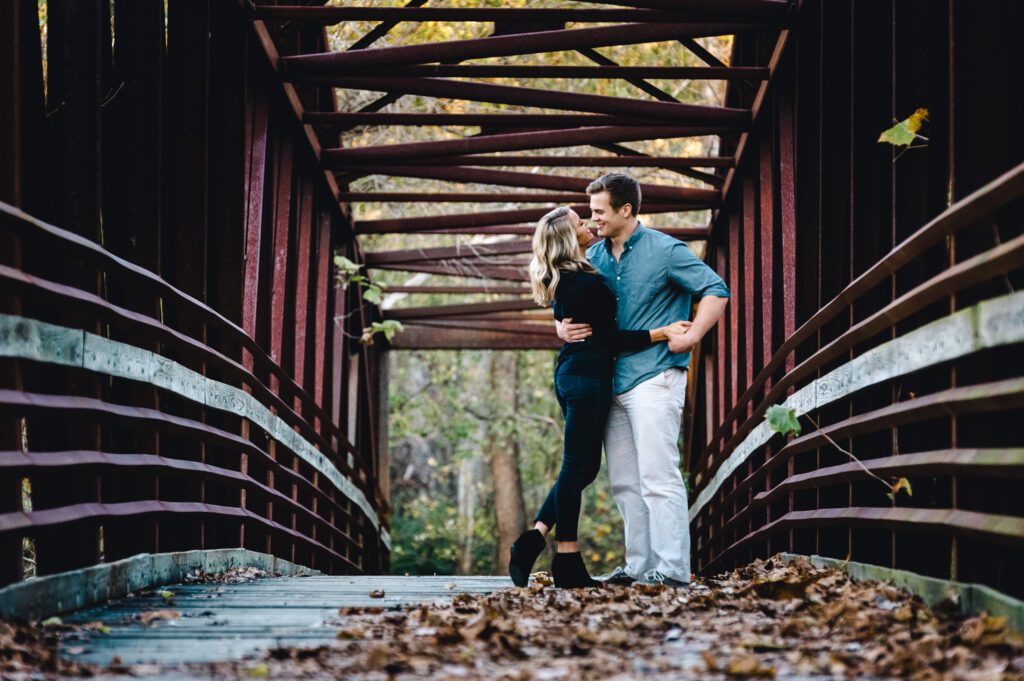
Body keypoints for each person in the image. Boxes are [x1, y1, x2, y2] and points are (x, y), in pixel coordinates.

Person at [557, 173, 730, 588]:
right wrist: (560, 329)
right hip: (609, 381)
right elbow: (568, 301)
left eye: (599, 212)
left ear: (626, 210)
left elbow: (716, 289)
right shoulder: (592, 256)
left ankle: (671, 571)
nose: (593, 219)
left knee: (658, 476)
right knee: (625, 483)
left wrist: (691, 335)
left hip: (654, 376)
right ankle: (639, 568)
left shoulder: (666, 250)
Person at [508, 206, 690, 589]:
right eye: (579, 223)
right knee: (576, 468)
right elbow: (609, 340)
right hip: (588, 379)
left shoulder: (569, 277)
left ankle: (534, 537)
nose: (588, 224)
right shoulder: (585, 283)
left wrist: (561, 326)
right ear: (568, 238)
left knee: (584, 467)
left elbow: (573, 319)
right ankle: (567, 560)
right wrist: (662, 332)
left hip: (574, 375)